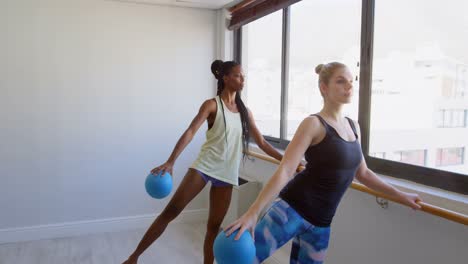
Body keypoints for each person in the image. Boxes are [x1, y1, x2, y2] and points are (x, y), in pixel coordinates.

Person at [225, 62, 422, 264]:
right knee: (244, 260)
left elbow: (363, 174)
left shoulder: (354, 127)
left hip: (321, 223)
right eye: (341, 81)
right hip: (291, 210)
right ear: (324, 87)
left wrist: (402, 196)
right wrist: (252, 212)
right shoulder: (313, 124)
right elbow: (286, 169)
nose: (349, 86)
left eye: (351, 81)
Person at [122, 60, 283, 264]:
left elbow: (261, 142)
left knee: (213, 228)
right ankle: (133, 257)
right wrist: (171, 161)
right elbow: (190, 131)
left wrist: (287, 160)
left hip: (226, 174)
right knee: (171, 211)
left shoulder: (245, 112)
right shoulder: (212, 105)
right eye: (237, 75)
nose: (242, 80)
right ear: (225, 78)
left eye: (243, 76)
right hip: (204, 167)